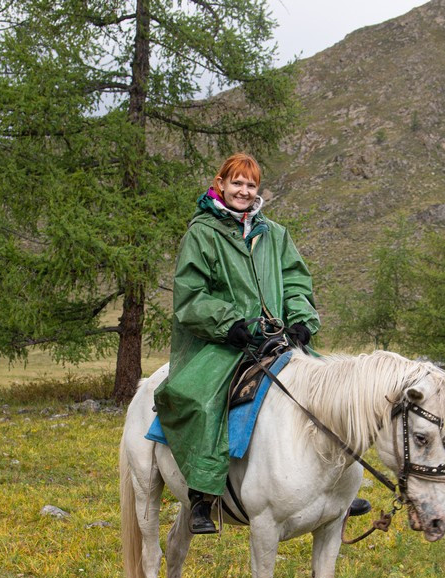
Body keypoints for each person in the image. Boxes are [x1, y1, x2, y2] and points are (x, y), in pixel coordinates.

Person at [153, 153, 369, 534]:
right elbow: (190, 295)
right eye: (236, 183)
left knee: (329, 389)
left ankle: (336, 490)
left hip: (276, 339)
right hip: (222, 339)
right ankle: (203, 493)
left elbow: (297, 282)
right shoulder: (202, 233)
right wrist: (229, 324)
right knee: (204, 399)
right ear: (220, 184)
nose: (243, 191)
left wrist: (301, 321)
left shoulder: (274, 233)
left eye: (250, 185)